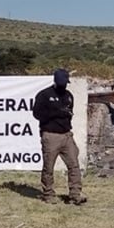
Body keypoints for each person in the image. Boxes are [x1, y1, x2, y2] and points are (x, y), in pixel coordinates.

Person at [32, 68, 85, 205]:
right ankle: (48, 193)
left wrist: (65, 115)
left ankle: (75, 194)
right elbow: (37, 114)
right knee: (49, 167)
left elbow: (69, 112)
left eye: (65, 83)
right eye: (61, 83)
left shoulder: (68, 95)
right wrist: (55, 112)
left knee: (74, 165)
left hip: (66, 135)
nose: (63, 86)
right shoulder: (44, 95)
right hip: (51, 135)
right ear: (55, 81)